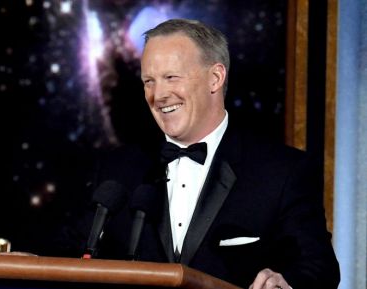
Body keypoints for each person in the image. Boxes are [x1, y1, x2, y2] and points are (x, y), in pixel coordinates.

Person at [54, 19, 340, 289]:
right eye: (149, 81)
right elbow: (70, 253)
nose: (158, 95)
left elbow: (319, 266)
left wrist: (285, 282)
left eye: (171, 77)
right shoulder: (116, 171)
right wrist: (28, 260)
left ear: (215, 78)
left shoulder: (282, 171)